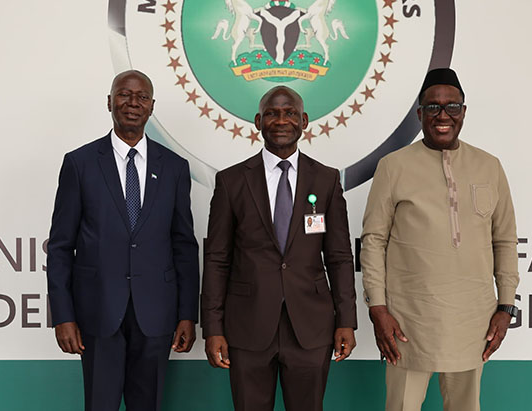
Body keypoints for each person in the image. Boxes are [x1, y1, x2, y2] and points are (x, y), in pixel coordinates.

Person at [360, 67, 519, 411]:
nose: (443, 115)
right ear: (420, 114)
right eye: (433, 107)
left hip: (473, 320)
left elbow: (504, 241)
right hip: (407, 320)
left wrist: (505, 306)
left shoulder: (489, 166)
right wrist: (378, 307)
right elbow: (373, 240)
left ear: (463, 112)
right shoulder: (393, 166)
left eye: (452, 107)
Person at [46, 70, 199, 411]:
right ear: (109, 102)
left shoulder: (174, 167)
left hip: (156, 315)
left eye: (142, 96)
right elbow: (59, 247)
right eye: (124, 94)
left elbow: (184, 245)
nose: (133, 102)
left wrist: (187, 313)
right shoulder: (80, 163)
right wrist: (62, 316)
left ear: (151, 106)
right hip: (97, 313)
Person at [201, 85, 357, 411]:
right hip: (247, 328)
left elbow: (340, 257)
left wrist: (346, 320)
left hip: (311, 329)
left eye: (290, 113)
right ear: (258, 121)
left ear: (304, 120)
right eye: (272, 113)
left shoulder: (326, 180)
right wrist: (213, 328)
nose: (281, 120)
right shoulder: (231, 182)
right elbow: (217, 259)